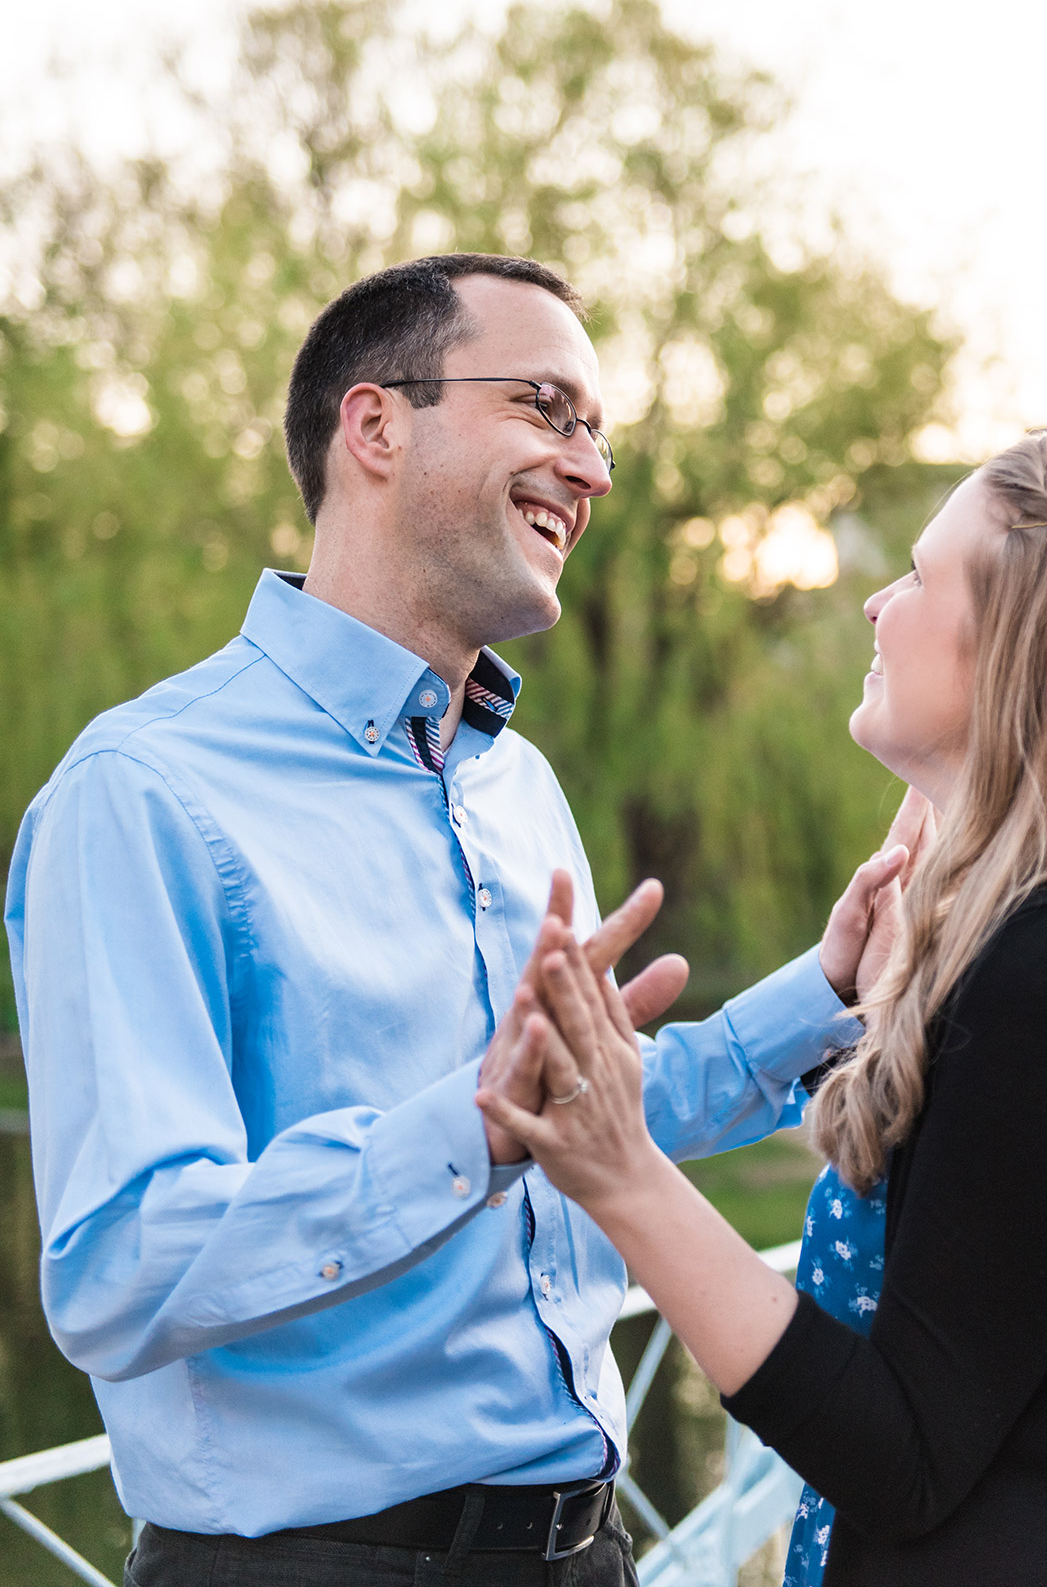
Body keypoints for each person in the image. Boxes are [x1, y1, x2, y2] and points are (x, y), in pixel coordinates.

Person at [4, 252, 916, 1587]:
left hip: (585, 1553)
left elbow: (578, 1124)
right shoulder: (143, 793)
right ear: (373, 425)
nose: (592, 470)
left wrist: (822, 987)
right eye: (547, 410)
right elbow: (121, 1268)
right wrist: (470, 1126)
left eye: (596, 432)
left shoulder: (513, 781)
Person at [478, 429, 1047, 1587]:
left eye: (921, 574)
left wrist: (620, 1169)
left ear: (1027, 643)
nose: (875, 601)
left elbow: (901, 1450)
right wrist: (880, 996)